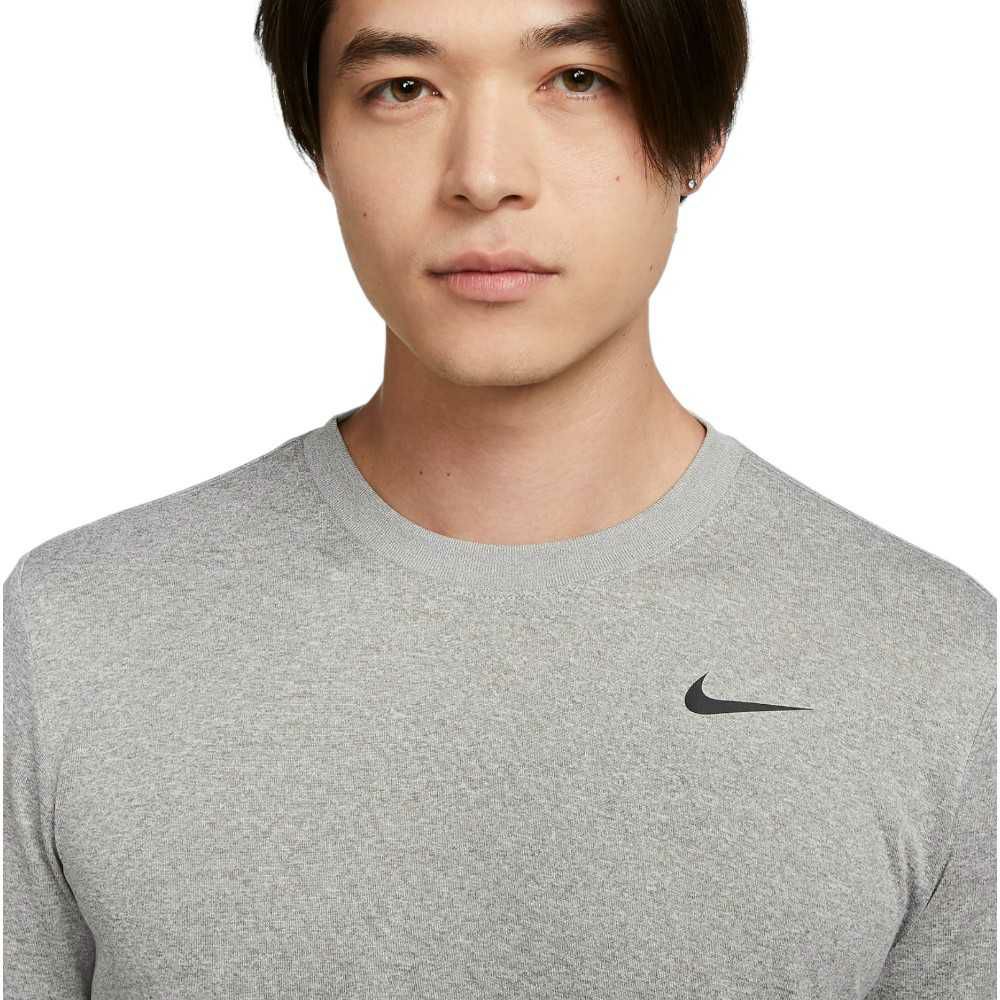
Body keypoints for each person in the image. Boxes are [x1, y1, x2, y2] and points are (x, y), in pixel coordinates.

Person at [4, 0, 995, 997]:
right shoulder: (72, 639)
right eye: (403, 88)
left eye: (578, 80)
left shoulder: (934, 665)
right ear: (320, 142)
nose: (483, 176)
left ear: (703, 135)